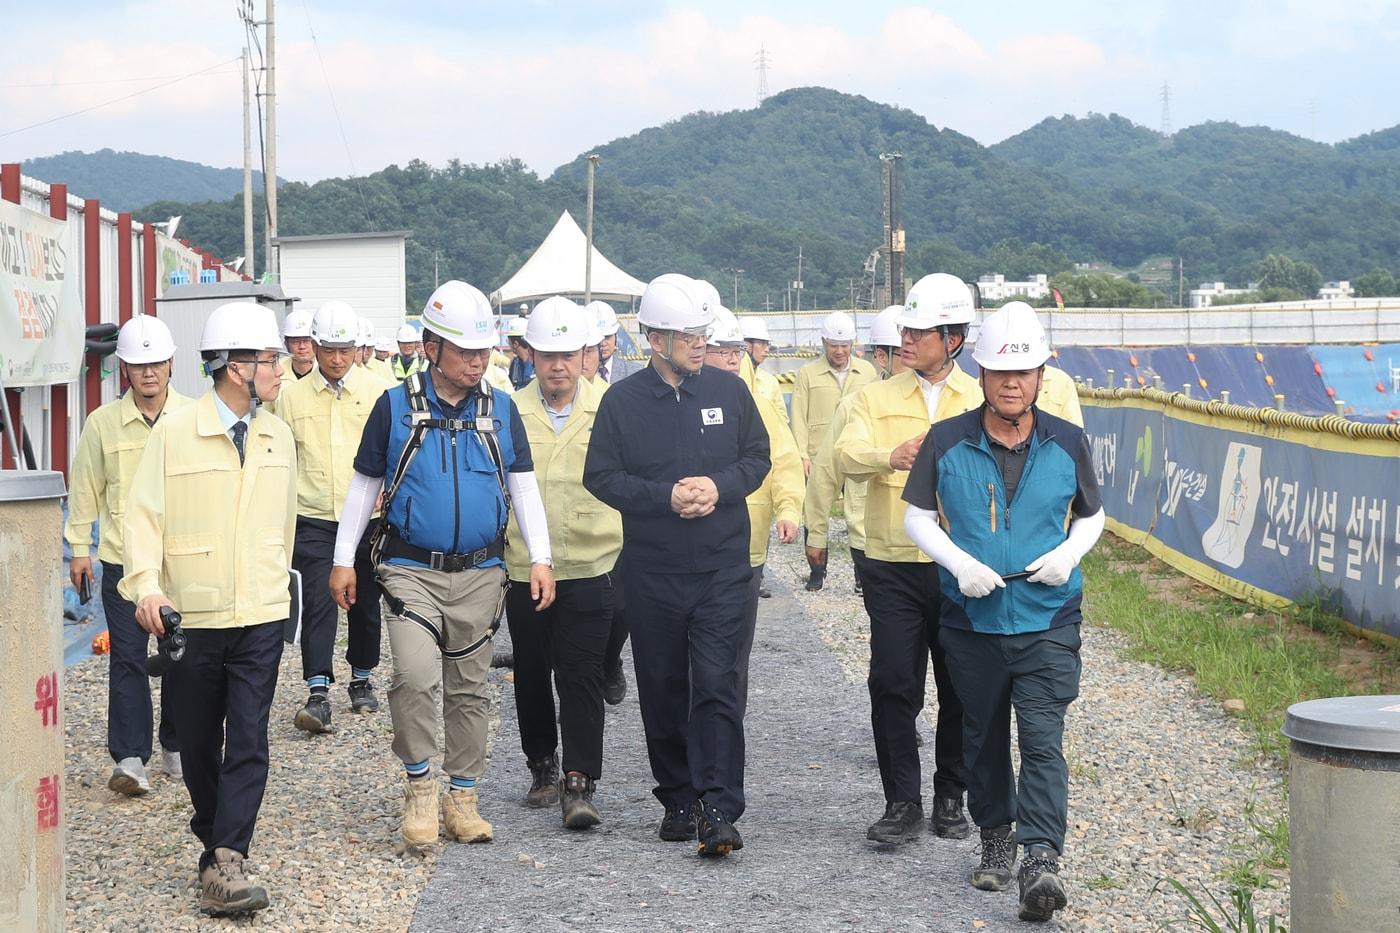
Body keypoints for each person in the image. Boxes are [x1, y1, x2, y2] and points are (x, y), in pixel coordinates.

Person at [329, 280, 555, 850]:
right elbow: (364, 486)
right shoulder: (393, 407)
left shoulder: (501, 410)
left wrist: (542, 557)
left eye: (484, 351)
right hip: (410, 569)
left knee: (471, 688)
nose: (478, 362)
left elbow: (522, 489)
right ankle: (420, 786)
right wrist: (342, 560)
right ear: (431, 348)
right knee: (412, 676)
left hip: (482, 572)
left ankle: (462, 795)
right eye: (465, 351)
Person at [903, 301, 1104, 923]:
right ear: (981, 375)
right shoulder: (947, 439)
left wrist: (1068, 556)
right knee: (983, 735)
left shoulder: (1068, 440)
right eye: (999, 373)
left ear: (1042, 376)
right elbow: (916, 517)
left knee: (1043, 741)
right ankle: (995, 838)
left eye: (1023, 373)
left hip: (1048, 619)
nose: (1012, 384)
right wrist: (958, 563)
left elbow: (1092, 516)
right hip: (972, 620)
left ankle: (1040, 857)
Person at [583, 274, 770, 857]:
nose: (700, 343)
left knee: (717, 683)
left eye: (703, 333)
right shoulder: (622, 402)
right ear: (655, 339)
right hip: (652, 570)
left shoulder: (729, 392)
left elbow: (757, 458)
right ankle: (678, 798)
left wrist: (719, 487)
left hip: (721, 568)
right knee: (662, 685)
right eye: (689, 334)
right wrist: (663, 497)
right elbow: (601, 477)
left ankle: (719, 807)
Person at [119, 302, 294, 916]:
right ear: (237, 367)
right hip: (193, 615)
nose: (280, 366)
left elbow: (285, 526)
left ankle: (226, 858)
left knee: (249, 735)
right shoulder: (175, 431)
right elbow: (141, 516)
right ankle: (215, 839)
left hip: (262, 613)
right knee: (197, 740)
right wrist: (146, 587)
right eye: (270, 358)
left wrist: (278, 586)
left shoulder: (278, 435)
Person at [834, 273, 983, 846]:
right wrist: (886, 455)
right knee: (893, 681)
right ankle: (902, 801)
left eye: (920, 331)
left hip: (959, 565)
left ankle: (952, 795)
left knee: (960, 685)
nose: (906, 338)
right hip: (891, 561)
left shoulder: (979, 398)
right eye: (906, 329)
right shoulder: (873, 396)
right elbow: (845, 454)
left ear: (952, 338)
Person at [503, 296, 624, 828]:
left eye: (568, 353)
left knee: (582, 673)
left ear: (586, 354)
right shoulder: (508, 409)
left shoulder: (613, 410)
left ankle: (580, 781)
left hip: (592, 559)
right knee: (531, 670)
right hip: (524, 563)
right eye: (547, 354)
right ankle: (541, 764)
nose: (557, 365)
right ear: (530, 354)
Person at [66, 314, 189, 796]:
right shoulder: (103, 425)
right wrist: (79, 550)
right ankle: (130, 757)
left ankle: (177, 743)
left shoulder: (194, 418)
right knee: (129, 660)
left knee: (183, 657)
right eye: (138, 365)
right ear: (124, 369)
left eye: (156, 363)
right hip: (122, 564)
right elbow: (85, 490)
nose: (149, 373)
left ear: (171, 363)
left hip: (180, 561)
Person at [275, 301, 387, 734]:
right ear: (314, 348)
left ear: (356, 348)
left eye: (345, 350)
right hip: (316, 516)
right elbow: (283, 459)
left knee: (366, 601)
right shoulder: (291, 398)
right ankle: (318, 690)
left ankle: (362, 676)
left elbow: (395, 452)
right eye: (329, 350)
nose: (337, 359)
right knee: (320, 601)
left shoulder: (378, 393)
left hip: (368, 518)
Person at [704, 304, 802, 711]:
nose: (731, 358)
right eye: (720, 349)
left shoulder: (755, 399)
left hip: (747, 545)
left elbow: (783, 458)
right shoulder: (676, 398)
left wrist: (789, 509)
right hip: (687, 547)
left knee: (733, 653)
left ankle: (726, 733)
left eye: (735, 349)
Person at [803, 305, 903, 595]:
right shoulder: (858, 404)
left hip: (931, 546)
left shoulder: (950, 400)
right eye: (906, 349)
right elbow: (826, 473)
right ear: (883, 356)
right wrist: (817, 534)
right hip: (871, 542)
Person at [791, 310, 877, 478]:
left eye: (844, 345)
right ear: (824, 343)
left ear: (852, 343)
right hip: (820, 457)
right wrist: (802, 455)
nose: (839, 351)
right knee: (819, 504)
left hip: (856, 456)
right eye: (833, 345)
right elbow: (798, 417)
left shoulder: (867, 371)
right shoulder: (807, 374)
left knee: (856, 504)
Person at [738, 315, 787, 419]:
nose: (767, 349)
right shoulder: (732, 380)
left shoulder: (770, 381)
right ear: (746, 345)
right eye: (762, 344)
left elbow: (782, 419)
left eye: (767, 344)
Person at [589, 300, 643, 384]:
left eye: (607, 337)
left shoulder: (636, 372)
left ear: (616, 337)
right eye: (598, 339)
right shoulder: (576, 376)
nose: (603, 343)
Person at [279, 309, 317, 381]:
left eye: (306, 340)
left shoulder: (326, 370)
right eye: (295, 341)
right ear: (286, 344)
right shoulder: (277, 370)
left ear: (315, 342)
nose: (302, 346)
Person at [506, 316, 534, 389]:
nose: (508, 344)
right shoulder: (515, 363)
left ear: (515, 344)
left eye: (508, 341)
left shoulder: (538, 363)